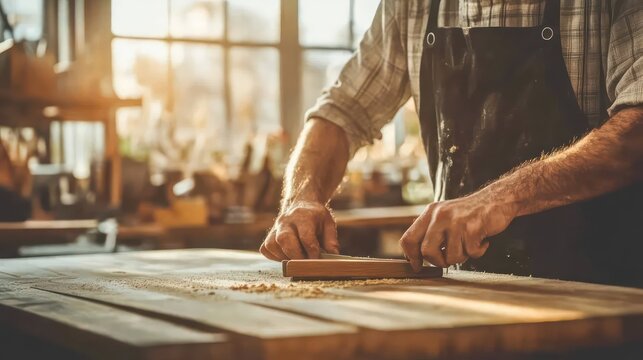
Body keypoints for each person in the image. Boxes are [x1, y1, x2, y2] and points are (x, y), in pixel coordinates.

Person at [260, 0, 643, 287]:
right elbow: (341, 113)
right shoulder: (411, 6)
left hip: (601, 293)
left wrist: (501, 198)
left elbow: (636, 132)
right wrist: (301, 197)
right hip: (466, 290)